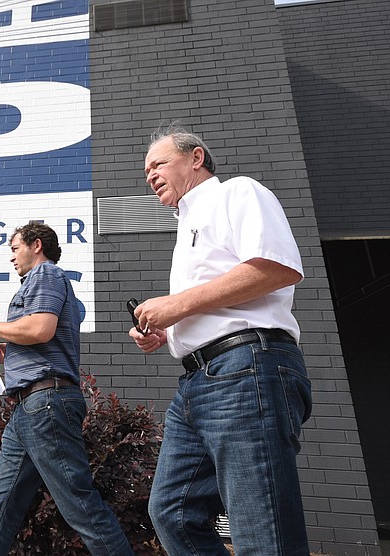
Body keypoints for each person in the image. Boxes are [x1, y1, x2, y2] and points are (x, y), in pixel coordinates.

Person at [129, 124, 313, 555]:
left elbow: (276, 268)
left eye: (159, 163)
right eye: (146, 171)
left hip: (245, 368)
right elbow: (216, 303)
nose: (151, 174)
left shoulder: (237, 193)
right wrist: (167, 332)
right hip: (198, 381)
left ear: (196, 158)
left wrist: (175, 306)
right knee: (173, 511)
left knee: (260, 527)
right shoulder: (187, 225)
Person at [0, 221, 134, 556]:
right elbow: (42, 333)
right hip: (30, 408)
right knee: (1, 503)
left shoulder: (45, 275)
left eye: (15, 248)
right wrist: (10, 344)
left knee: (79, 504)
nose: (11, 257)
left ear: (36, 245)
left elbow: (41, 328)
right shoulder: (46, 281)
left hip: (46, 403)